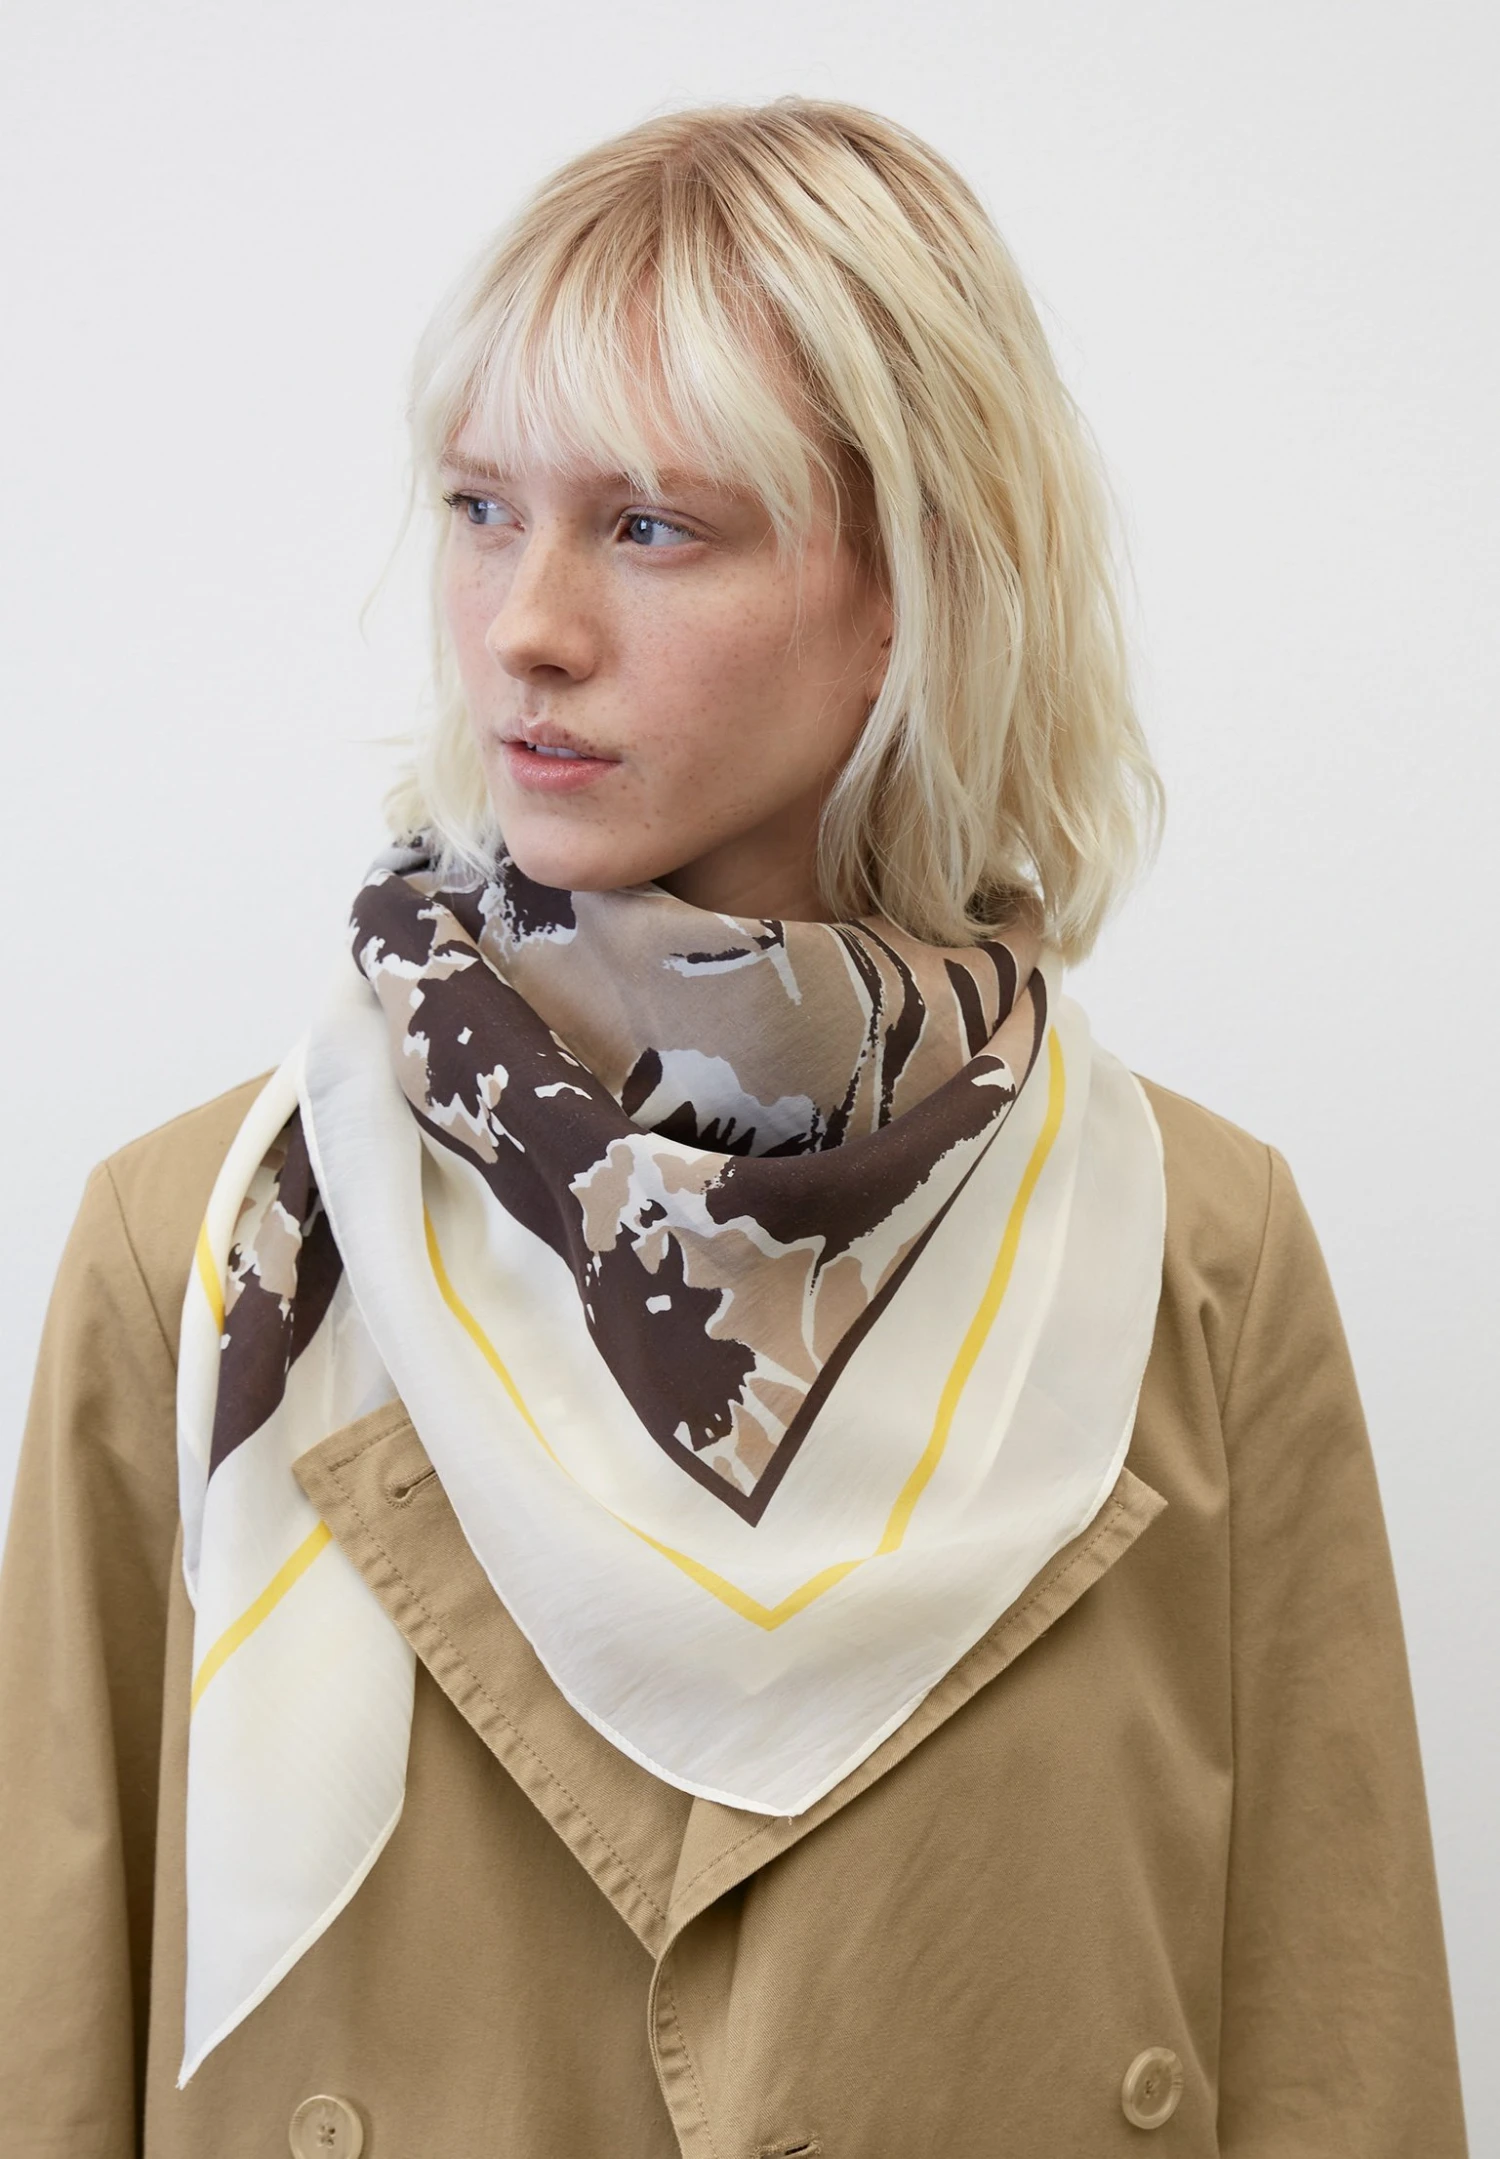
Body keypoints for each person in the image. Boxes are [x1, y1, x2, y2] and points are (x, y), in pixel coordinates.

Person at [0, 98, 1467, 2159]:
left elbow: (1338, 2047)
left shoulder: (1190, 1251)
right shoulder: (218, 1243)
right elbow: (52, 2045)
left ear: (915, 588)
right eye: (481, 507)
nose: (526, 622)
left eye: (651, 527)